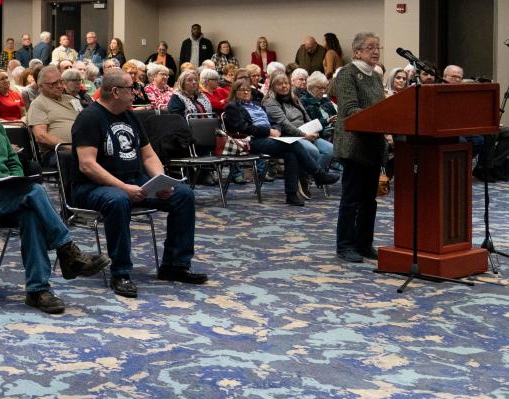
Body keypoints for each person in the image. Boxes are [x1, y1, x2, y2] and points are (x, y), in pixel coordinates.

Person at [0, 74, 109, 315]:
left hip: (6, 193)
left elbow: (13, 161)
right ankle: (67, 251)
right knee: (35, 191)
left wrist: (13, 176)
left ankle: (38, 290)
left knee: (30, 213)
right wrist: (0, 175)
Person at [69, 67, 206, 299]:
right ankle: (120, 272)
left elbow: (149, 156)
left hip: (134, 180)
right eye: (131, 89)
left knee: (183, 195)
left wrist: (160, 181)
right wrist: (123, 187)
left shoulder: (130, 115)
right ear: (115, 91)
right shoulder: (89, 118)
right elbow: (87, 165)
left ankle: (175, 265)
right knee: (119, 200)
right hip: (92, 187)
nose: (135, 93)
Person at [222, 79, 337, 207]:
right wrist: (268, 131)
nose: (246, 92)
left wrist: (276, 129)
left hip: (268, 137)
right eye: (242, 90)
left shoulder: (256, 105)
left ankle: (291, 195)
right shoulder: (232, 107)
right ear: (235, 92)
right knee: (292, 144)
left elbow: (275, 122)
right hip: (250, 141)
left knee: (290, 153)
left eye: (248, 89)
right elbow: (244, 128)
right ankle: (318, 174)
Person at [332, 33, 387, 263]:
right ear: (357, 52)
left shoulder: (374, 76)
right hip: (354, 145)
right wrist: (378, 118)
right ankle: (345, 245)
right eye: (370, 47)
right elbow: (349, 109)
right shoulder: (347, 74)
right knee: (352, 198)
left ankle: (364, 243)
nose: (375, 51)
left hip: (373, 145)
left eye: (377, 47)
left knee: (369, 200)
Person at [27, 65, 81, 169]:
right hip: (56, 152)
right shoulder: (38, 104)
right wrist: (70, 147)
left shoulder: (72, 99)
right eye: (53, 84)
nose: (60, 86)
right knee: (75, 158)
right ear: (41, 86)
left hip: (84, 147)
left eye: (61, 81)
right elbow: (41, 136)